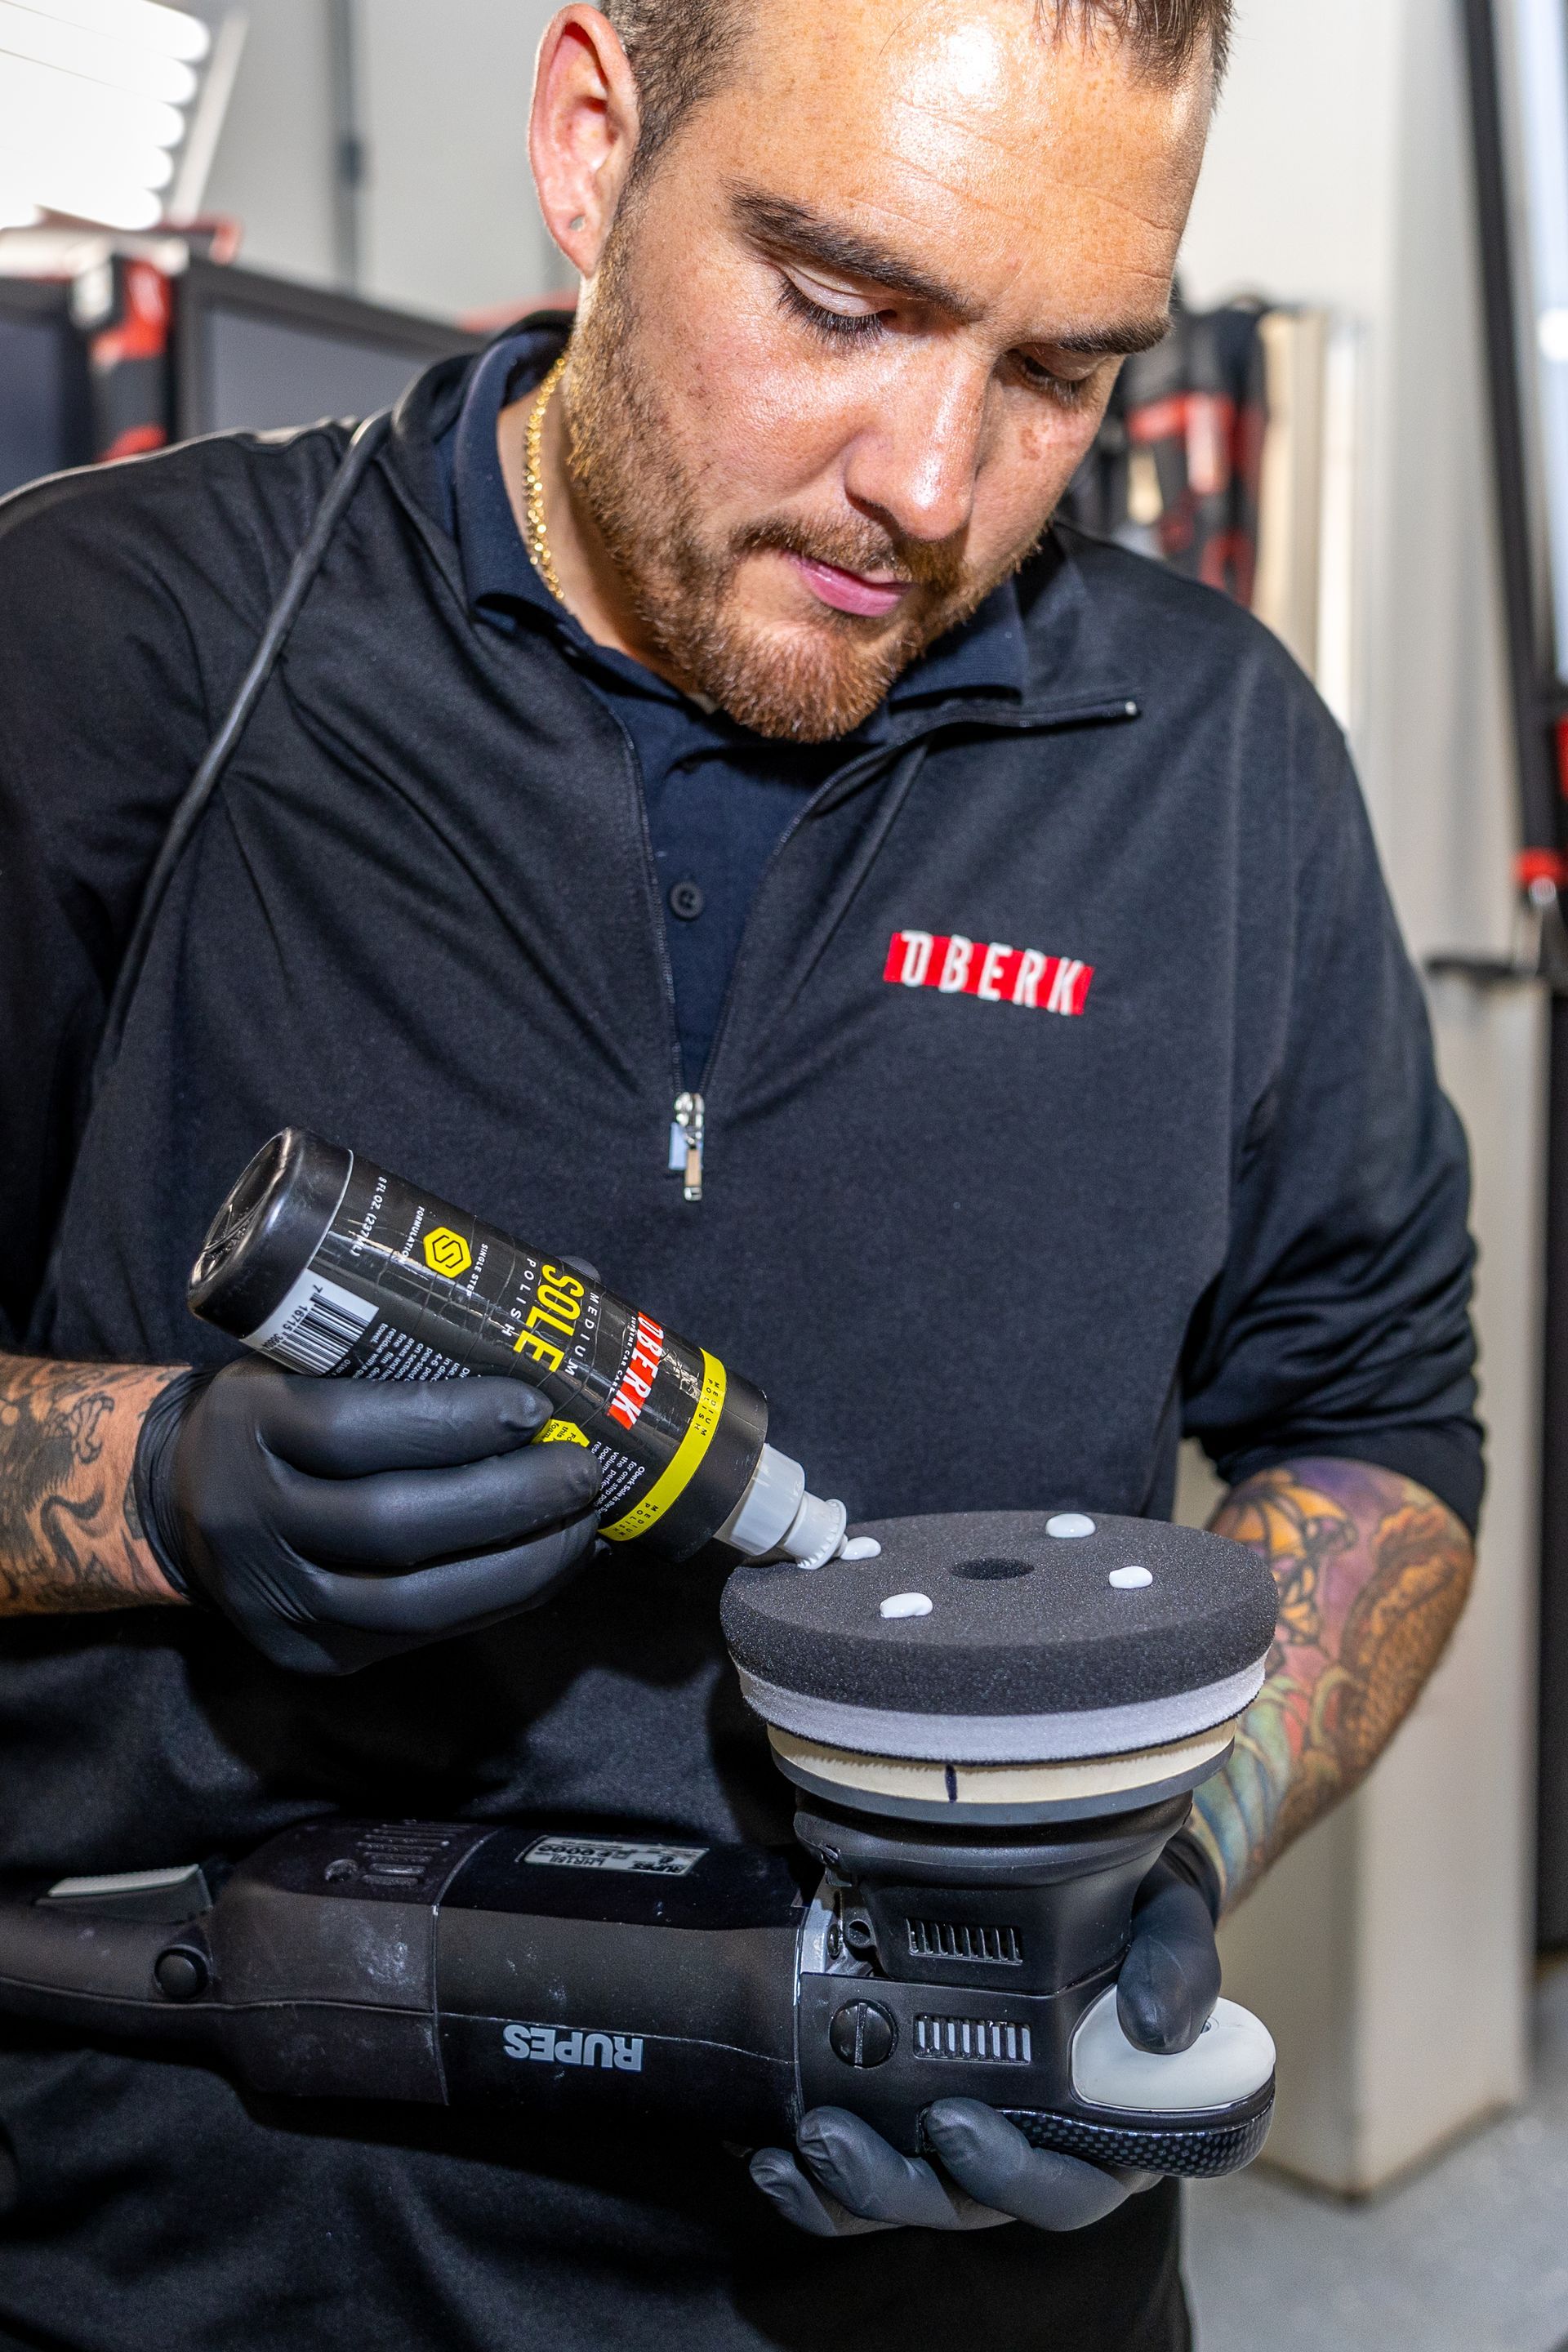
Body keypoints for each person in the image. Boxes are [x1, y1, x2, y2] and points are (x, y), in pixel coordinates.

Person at [0, 1, 1481, 2345]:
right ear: (594, 143)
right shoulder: (105, 654)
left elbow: (1377, 1431)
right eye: (843, 300)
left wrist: (1152, 1873)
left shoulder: (1218, 762)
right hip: (218, 2258)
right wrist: (151, 1475)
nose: (931, 481)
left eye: (1062, 373)